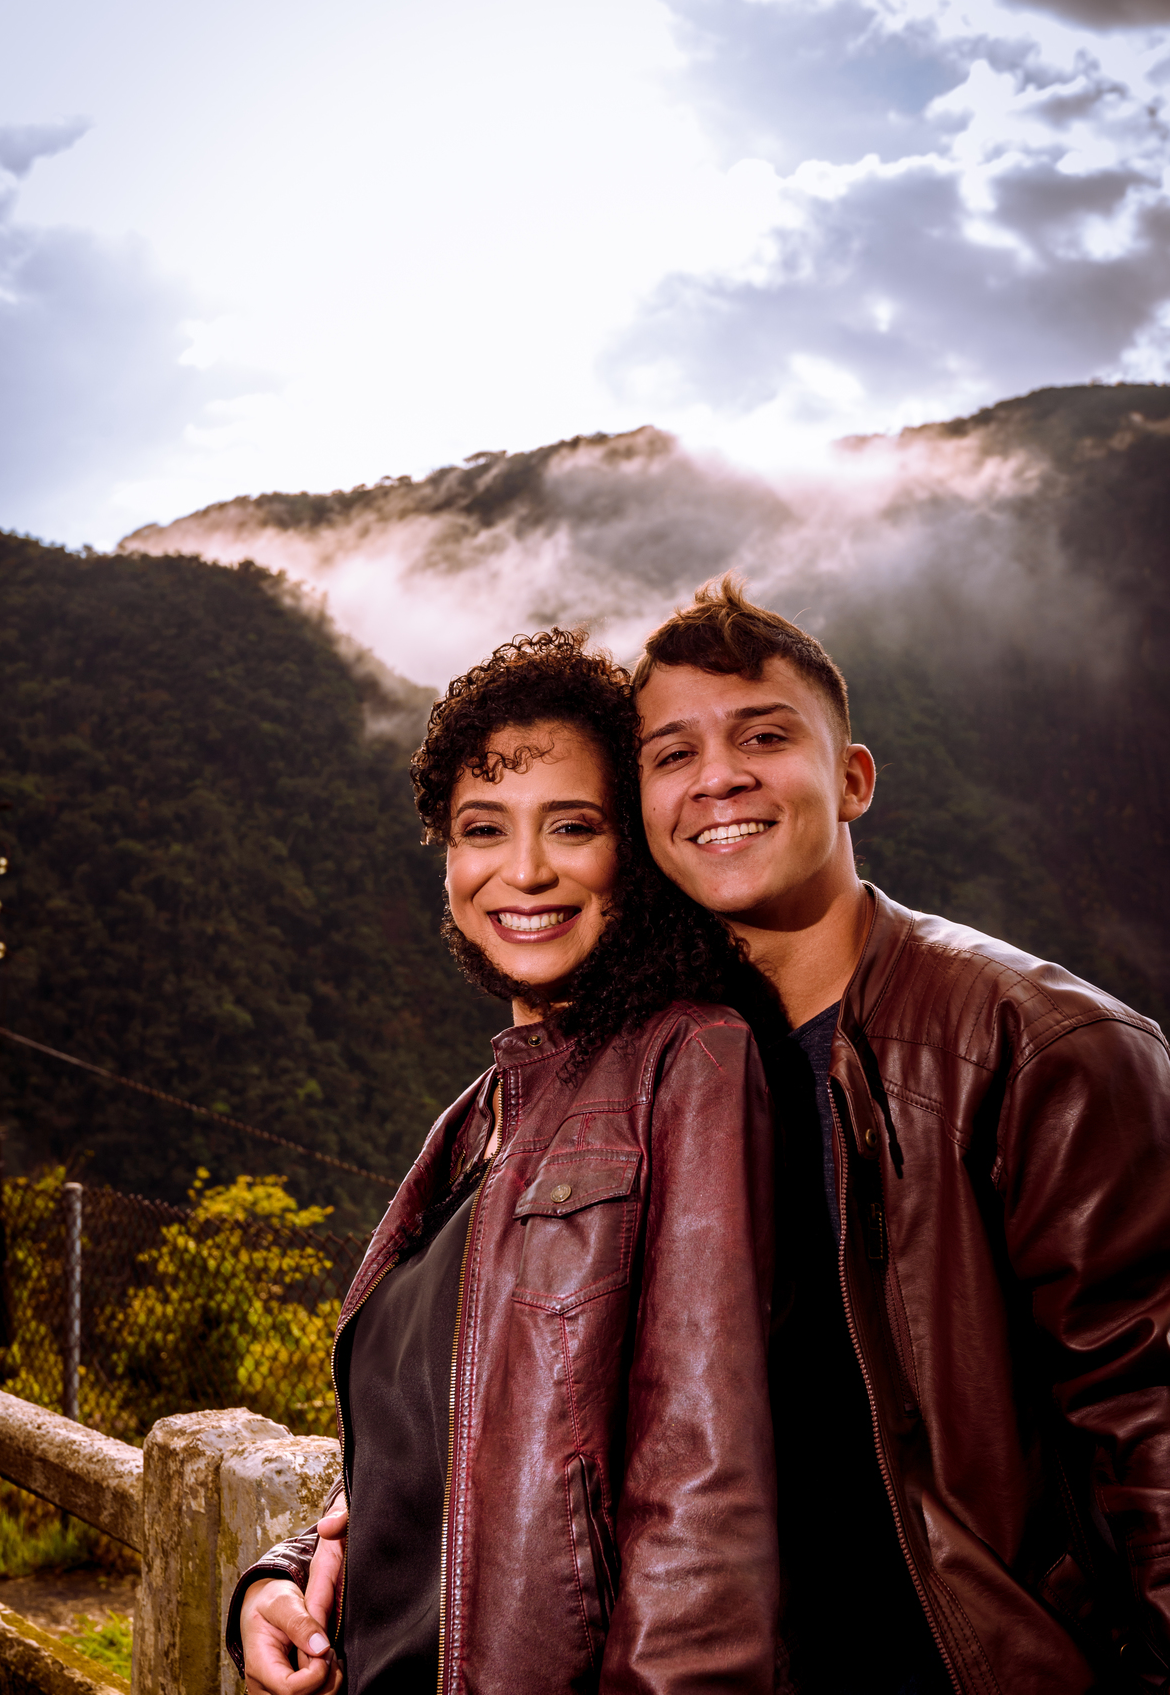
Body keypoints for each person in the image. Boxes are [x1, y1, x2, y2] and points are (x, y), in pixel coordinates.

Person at [632, 576, 1170, 1694]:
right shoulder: (644, 1075)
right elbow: (496, 1369)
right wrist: (310, 1551)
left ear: (853, 779)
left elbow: (1152, 1424)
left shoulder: (1040, 1045)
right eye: (671, 753)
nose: (717, 776)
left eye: (763, 736)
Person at [229, 629, 780, 1695]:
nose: (523, 870)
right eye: (484, 829)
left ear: (635, 849)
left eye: (572, 826)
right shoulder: (474, 1119)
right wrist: (284, 1573)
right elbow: (445, 1450)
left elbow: (703, 1519)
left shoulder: (694, 1060)